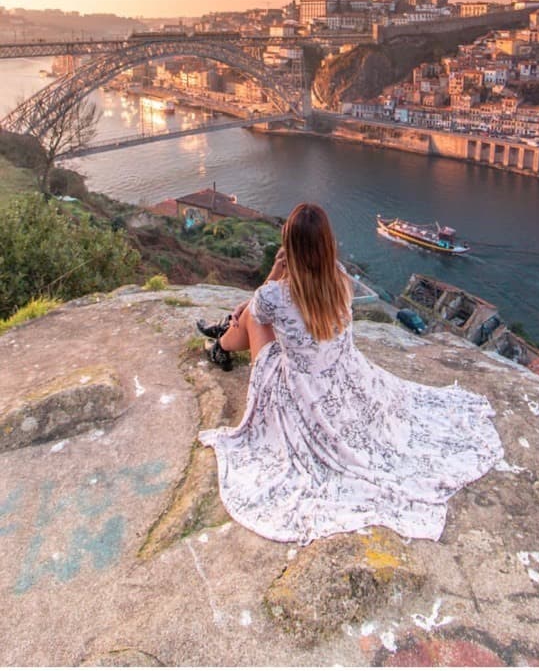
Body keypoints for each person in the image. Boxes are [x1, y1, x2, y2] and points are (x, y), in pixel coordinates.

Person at [198, 203, 503, 545]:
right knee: (250, 313)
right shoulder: (341, 278)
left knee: (251, 316)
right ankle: (221, 339)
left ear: (290, 247)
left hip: (296, 389)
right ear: (327, 243)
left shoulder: (276, 294)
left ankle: (221, 344)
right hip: (341, 377)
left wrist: (275, 271)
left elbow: (257, 307)